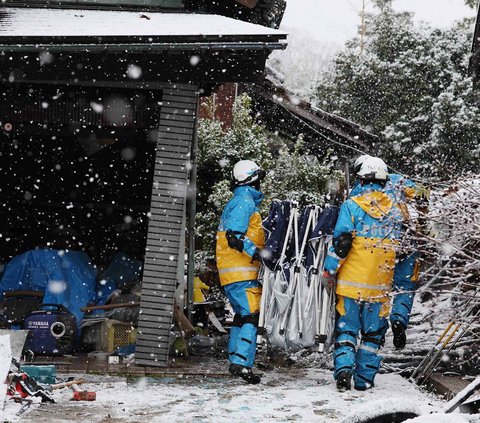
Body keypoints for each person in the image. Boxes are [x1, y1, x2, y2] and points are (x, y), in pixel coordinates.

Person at [324, 156, 402, 391]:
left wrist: (329, 269)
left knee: (347, 329)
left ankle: (344, 370)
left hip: (350, 284)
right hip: (379, 288)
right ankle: (364, 379)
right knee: (372, 335)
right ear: (383, 181)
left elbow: (342, 243)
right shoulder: (395, 213)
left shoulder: (351, 206)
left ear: (361, 179)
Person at [351, 156, 428, 349]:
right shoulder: (398, 180)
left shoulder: (358, 190)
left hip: (376, 245)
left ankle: (377, 328)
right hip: (404, 240)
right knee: (405, 286)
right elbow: (423, 193)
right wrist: (422, 222)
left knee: (378, 290)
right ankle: (399, 319)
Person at [216, 159, 266, 384]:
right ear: (253, 180)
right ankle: (242, 364)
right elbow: (234, 237)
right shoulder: (244, 202)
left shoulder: (238, 201)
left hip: (233, 273)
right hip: (242, 272)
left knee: (241, 316)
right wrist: (257, 253)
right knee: (250, 316)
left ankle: (236, 360)